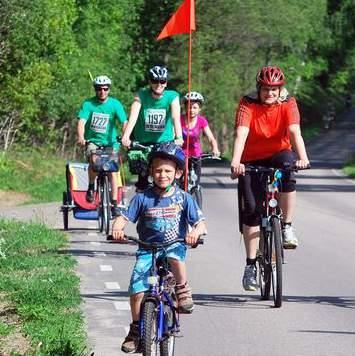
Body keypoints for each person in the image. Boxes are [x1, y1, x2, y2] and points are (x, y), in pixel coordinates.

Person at [111, 142, 206, 353]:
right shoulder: (143, 198)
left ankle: (182, 289)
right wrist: (117, 229)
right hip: (147, 249)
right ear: (151, 172)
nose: (163, 174)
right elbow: (123, 218)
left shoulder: (184, 198)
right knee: (136, 291)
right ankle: (136, 331)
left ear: (178, 173)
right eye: (158, 170)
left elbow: (200, 223)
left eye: (168, 171)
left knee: (174, 256)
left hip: (174, 246)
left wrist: (194, 233)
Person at [230, 66, 310, 291]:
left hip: (278, 154)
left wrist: (303, 158)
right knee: (252, 210)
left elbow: (294, 132)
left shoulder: (288, 103)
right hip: (250, 159)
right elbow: (241, 134)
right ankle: (250, 265)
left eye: (274, 89)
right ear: (259, 89)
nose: (270, 93)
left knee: (288, 168)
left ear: (280, 89)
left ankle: (286, 226)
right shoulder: (248, 103)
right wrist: (236, 162)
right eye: (266, 89)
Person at [121, 65, 184, 191]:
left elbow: (175, 118)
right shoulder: (141, 95)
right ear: (150, 82)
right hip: (143, 142)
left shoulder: (172, 96)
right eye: (155, 81)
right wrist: (126, 136)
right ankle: (142, 205)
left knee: (165, 177)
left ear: (166, 83)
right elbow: (133, 117)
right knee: (142, 180)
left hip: (164, 142)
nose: (159, 84)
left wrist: (179, 137)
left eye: (162, 81)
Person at [77, 75, 127, 215]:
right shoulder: (88, 104)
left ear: (109, 89)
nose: (102, 92)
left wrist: (125, 137)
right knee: (94, 162)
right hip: (93, 142)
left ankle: (115, 203)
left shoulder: (115, 104)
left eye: (105, 89)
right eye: (99, 89)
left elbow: (124, 122)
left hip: (111, 142)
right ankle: (91, 186)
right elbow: (82, 122)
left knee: (112, 170)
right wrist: (81, 137)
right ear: (95, 89)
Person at [181, 91, 220, 186]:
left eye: (195, 107)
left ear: (199, 109)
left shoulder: (201, 120)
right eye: (189, 107)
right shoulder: (179, 119)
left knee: (196, 183)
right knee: (181, 180)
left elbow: (211, 138)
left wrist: (215, 148)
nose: (191, 110)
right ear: (185, 107)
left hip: (196, 155)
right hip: (181, 154)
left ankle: (195, 193)